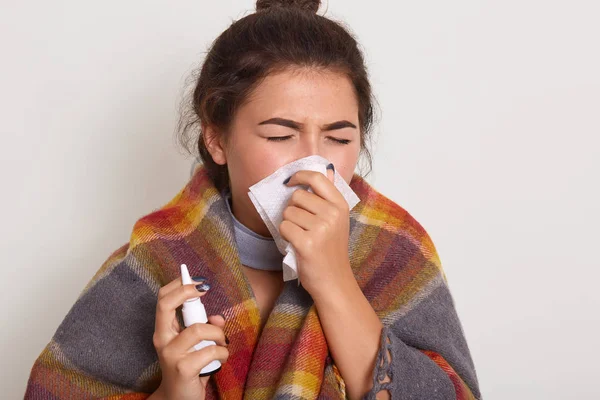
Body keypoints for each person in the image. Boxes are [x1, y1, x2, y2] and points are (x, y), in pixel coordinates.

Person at [24, 0, 481, 399]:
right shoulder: (153, 266)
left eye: (338, 138)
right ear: (217, 138)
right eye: (281, 134)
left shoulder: (394, 251)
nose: (311, 164)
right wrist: (174, 393)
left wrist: (334, 280)